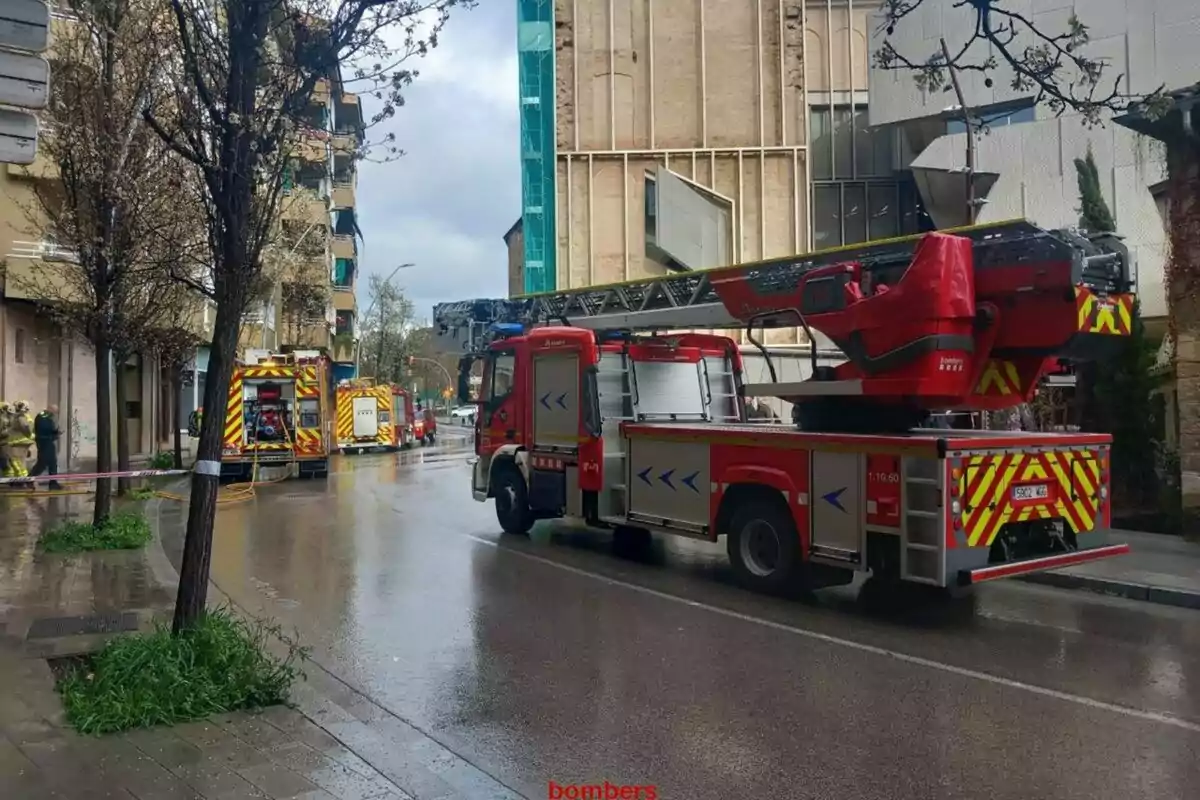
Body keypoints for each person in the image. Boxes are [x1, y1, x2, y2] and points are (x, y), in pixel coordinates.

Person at [30, 404, 63, 490]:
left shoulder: (46, 417)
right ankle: (29, 479)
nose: (55, 414)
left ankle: (53, 483)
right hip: (44, 442)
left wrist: (55, 432)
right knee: (43, 463)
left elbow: (47, 429)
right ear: (50, 409)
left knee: (51, 462)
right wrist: (54, 433)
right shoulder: (43, 416)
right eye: (54, 411)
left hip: (47, 441)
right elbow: (44, 430)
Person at [6, 400, 34, 485]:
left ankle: (23, 480)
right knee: (21, 461)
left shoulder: (20, 418)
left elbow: (25, 427)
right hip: (23, 442)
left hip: (18, 442)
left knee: (17, 461)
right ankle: (21, 479)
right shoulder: (26, 416)